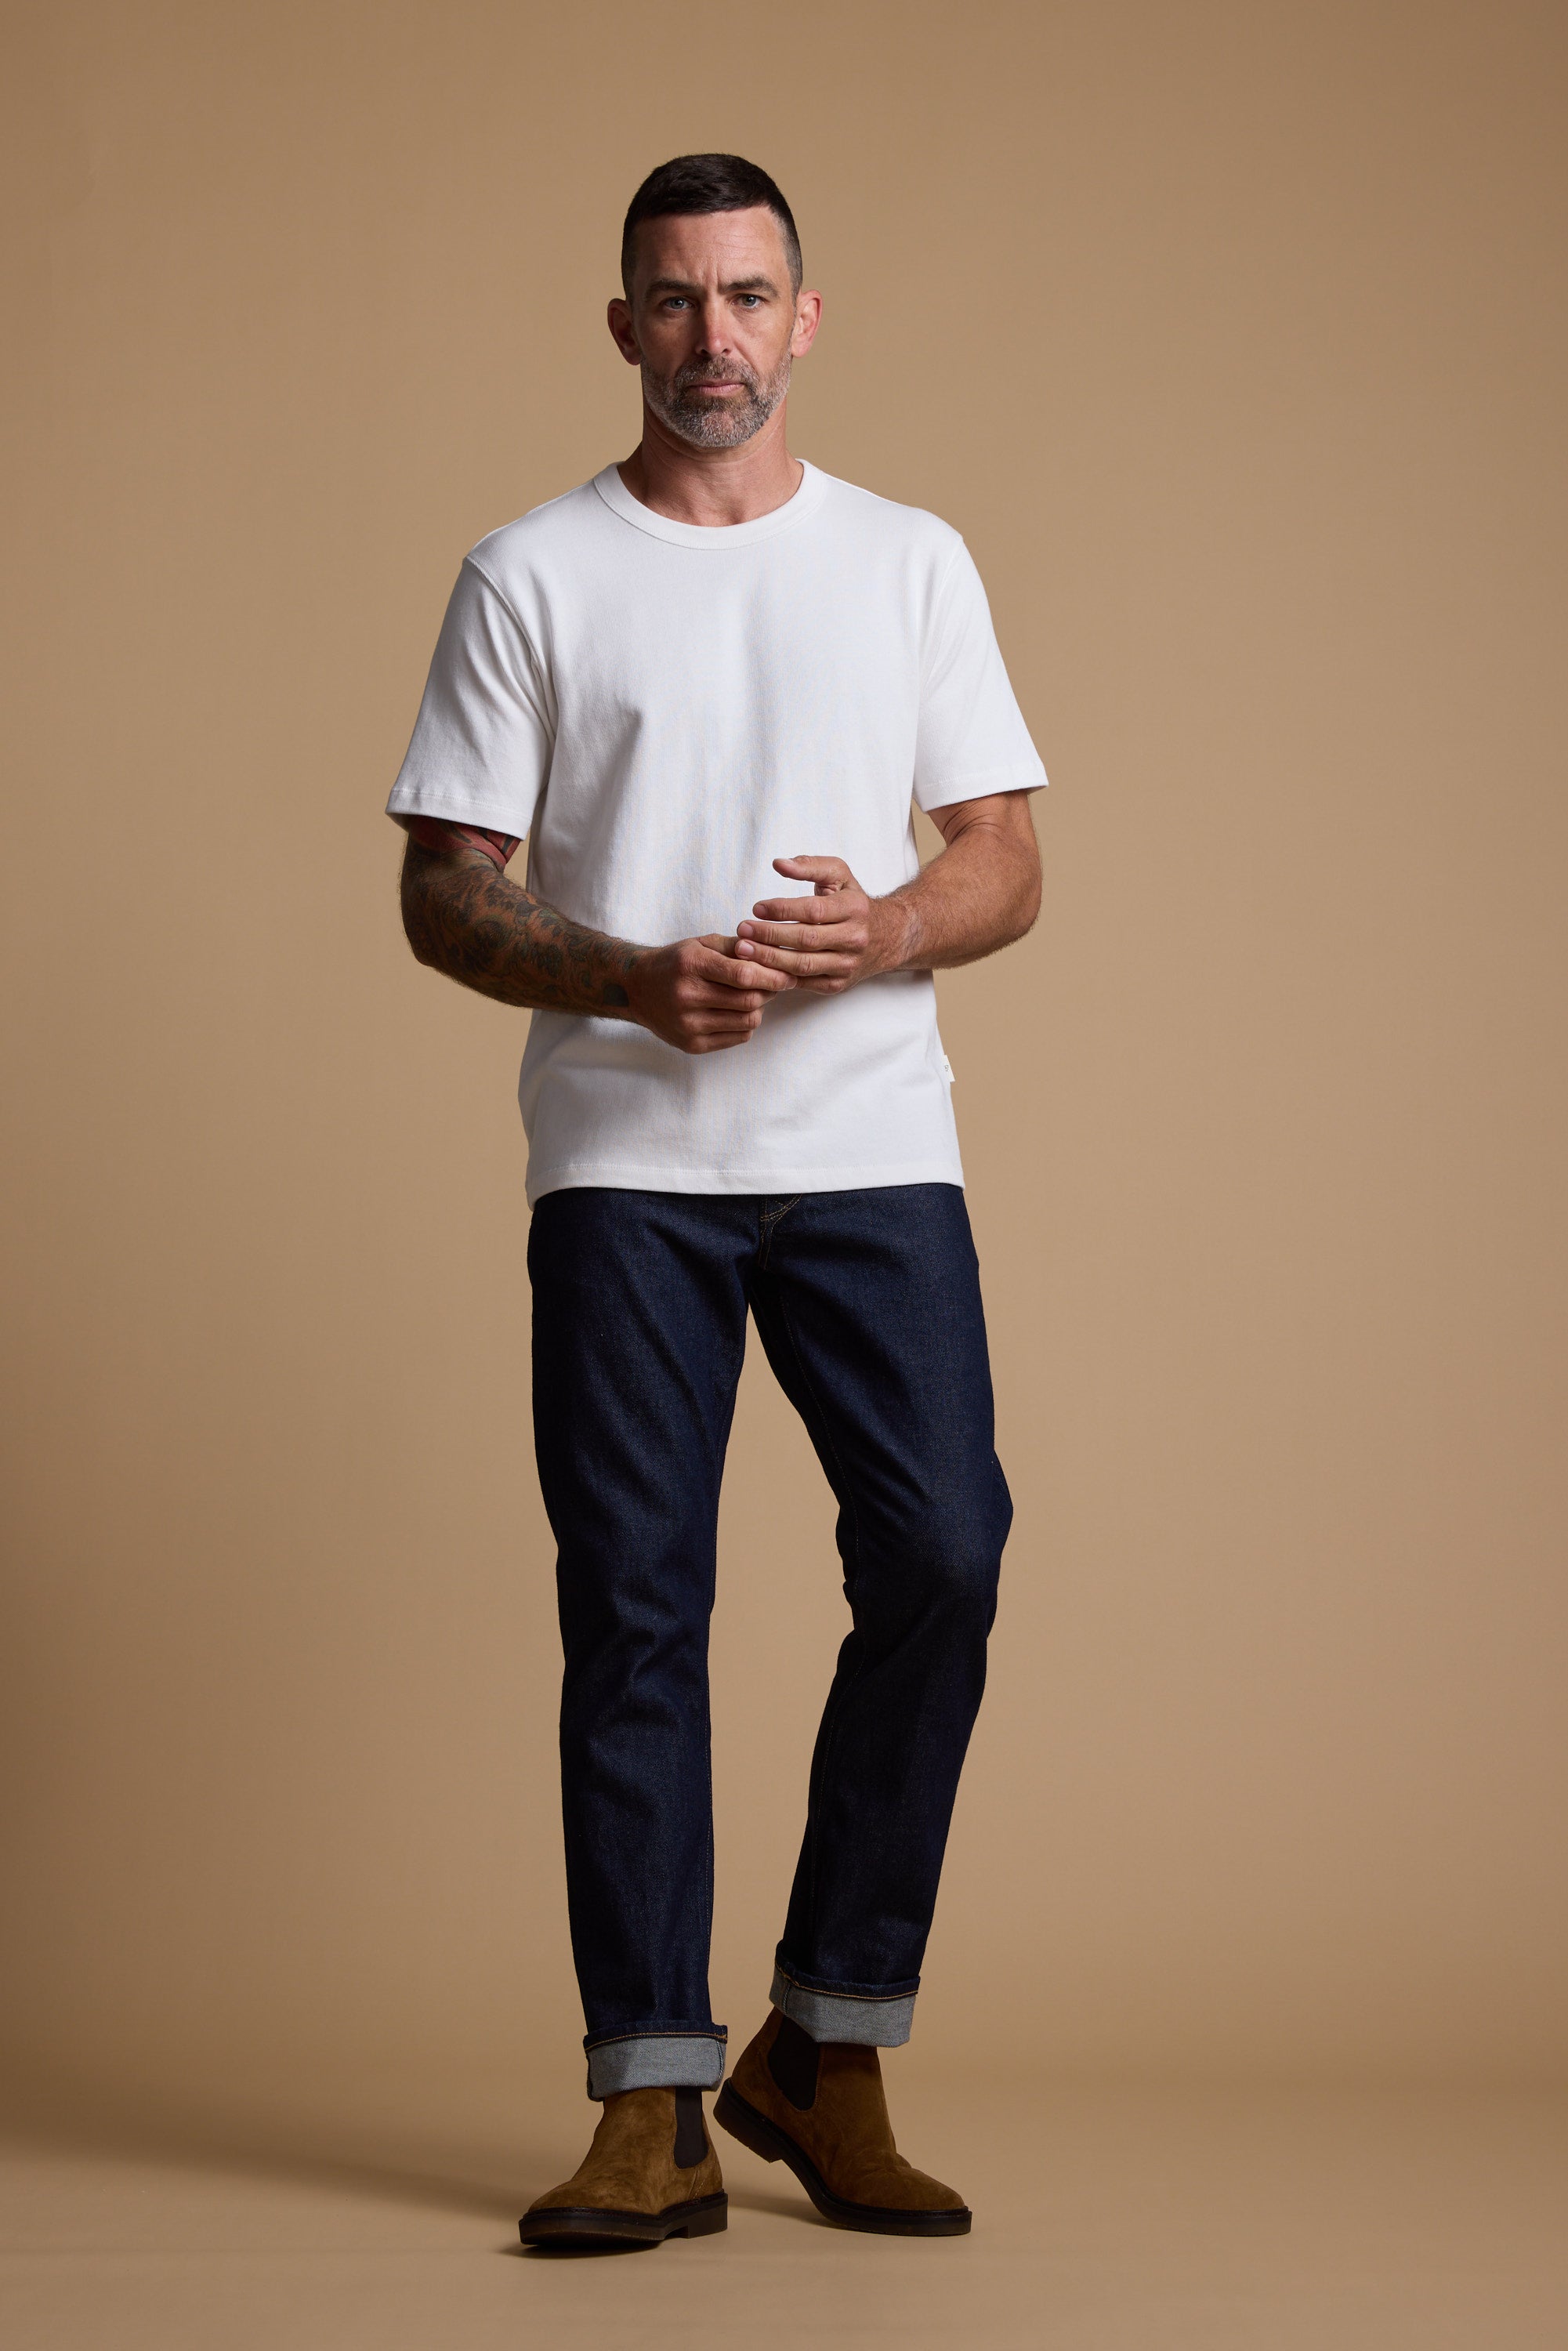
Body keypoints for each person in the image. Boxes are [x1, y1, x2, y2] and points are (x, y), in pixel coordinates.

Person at [389, 153, 1045, 2248]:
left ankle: (821, 2045)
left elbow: (1005, 857)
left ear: (804, 317)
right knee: (637, 1611)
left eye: (747, 298)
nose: (713, 339)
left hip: (868, 1148)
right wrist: (628, 973)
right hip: (624, 1173)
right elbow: (444, 891)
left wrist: (881, 936)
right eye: (672, 303)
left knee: (941, 1550)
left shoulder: (909, 561)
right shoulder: (529, 573)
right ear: (621, 329)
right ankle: (650, 2102)